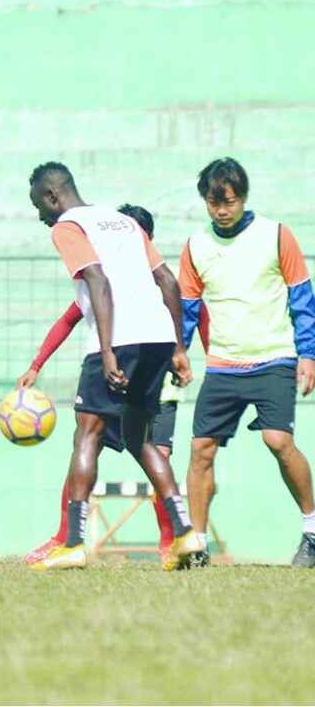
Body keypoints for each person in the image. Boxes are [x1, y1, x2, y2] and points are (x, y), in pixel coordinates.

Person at [27, 162, 202, 571]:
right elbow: (169, 282)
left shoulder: (68, 227)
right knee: (139, 436)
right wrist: (178, 347)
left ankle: (72, 544)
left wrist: (106, 352)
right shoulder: (124, 222)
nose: (40, 215)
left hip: (118, 337)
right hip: (158, 335)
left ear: (53, 196)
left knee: (87, 432)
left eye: (39, 205)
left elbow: (97, 279)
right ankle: (184, 533)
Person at [180, 157, 315, 568]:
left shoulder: (276, 235)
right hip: (222, 365)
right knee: (201, 449)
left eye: (230, 201)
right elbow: (187, 307)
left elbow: (302, 300)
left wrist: (308, 354)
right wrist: (179, 353)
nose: (222, 210)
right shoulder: (196, 245)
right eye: (213, 202)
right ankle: (197, 546)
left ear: (243, 197)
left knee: (278, 441)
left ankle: (313, 530)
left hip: (273, 358)